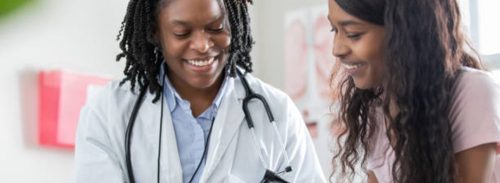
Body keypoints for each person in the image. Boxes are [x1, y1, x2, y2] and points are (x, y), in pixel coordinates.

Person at [74, 0, 326, 182]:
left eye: (216, 28)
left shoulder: (275, 111)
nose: (203, 45)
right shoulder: (109, 112)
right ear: (155, 32)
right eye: (182, 32)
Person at [327, 0, 500, 182]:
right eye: (334, 30)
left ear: (403, 33)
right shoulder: (376, 108)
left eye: (353, 34)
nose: (336, 49)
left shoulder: (472, 91)